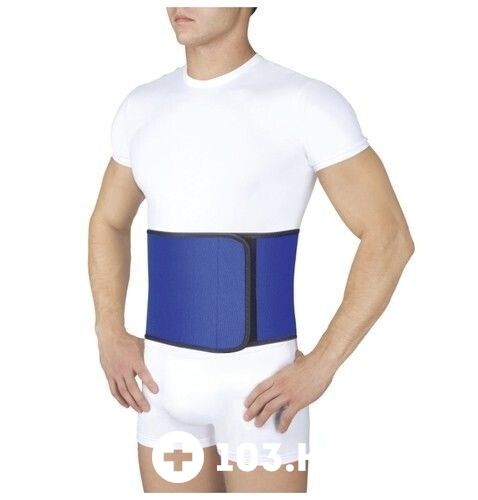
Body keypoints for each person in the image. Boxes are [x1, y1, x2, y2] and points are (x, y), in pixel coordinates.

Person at [88, 6, 414, 493]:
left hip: (259, 394)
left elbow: (389, 237)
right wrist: (109, 332)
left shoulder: (304, 103)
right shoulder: (142, 107)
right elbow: (109, 222)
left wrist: (322, 365)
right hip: (160, 390)